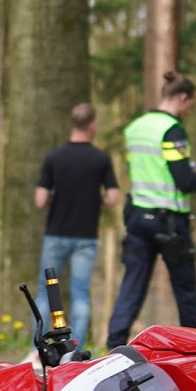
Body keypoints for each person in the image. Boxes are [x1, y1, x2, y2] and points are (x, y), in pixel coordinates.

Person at [105, 72, 196, 348]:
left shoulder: (136, 127)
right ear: (183, 97)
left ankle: (114, 344)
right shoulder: (172, 130)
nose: (190, 111)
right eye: (191, 105)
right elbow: (185, 181)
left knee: (132, 286)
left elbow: (149, 167)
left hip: (138, 217)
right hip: (169, 223)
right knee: (185, 288)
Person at [35, 103, 122, 345]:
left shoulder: (53, 158)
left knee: (45, 293)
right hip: (85, 237)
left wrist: (56, 195)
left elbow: (40, 200)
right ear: (92, 124)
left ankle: (39, 348)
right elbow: (114, 198)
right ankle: (76, 351)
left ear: (73, 124)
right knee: (80, 294)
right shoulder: (101, 159)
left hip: (56, 235)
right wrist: (97, 199)